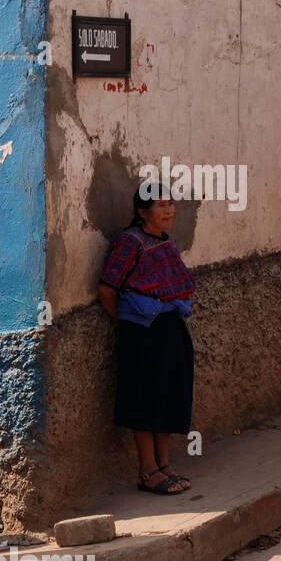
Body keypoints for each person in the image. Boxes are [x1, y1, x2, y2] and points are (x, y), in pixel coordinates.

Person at [97, 185, 195, 495]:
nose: (168, 210)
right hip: (141, 332)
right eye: (160, 205)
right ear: (142, 211)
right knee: (144, 397)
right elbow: (107, 288)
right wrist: (125, 325)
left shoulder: (166, 241)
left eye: (170, 204)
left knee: (168, 393)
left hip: (170, 327)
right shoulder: (129, 243)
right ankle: (147, 470)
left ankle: (165, 464)